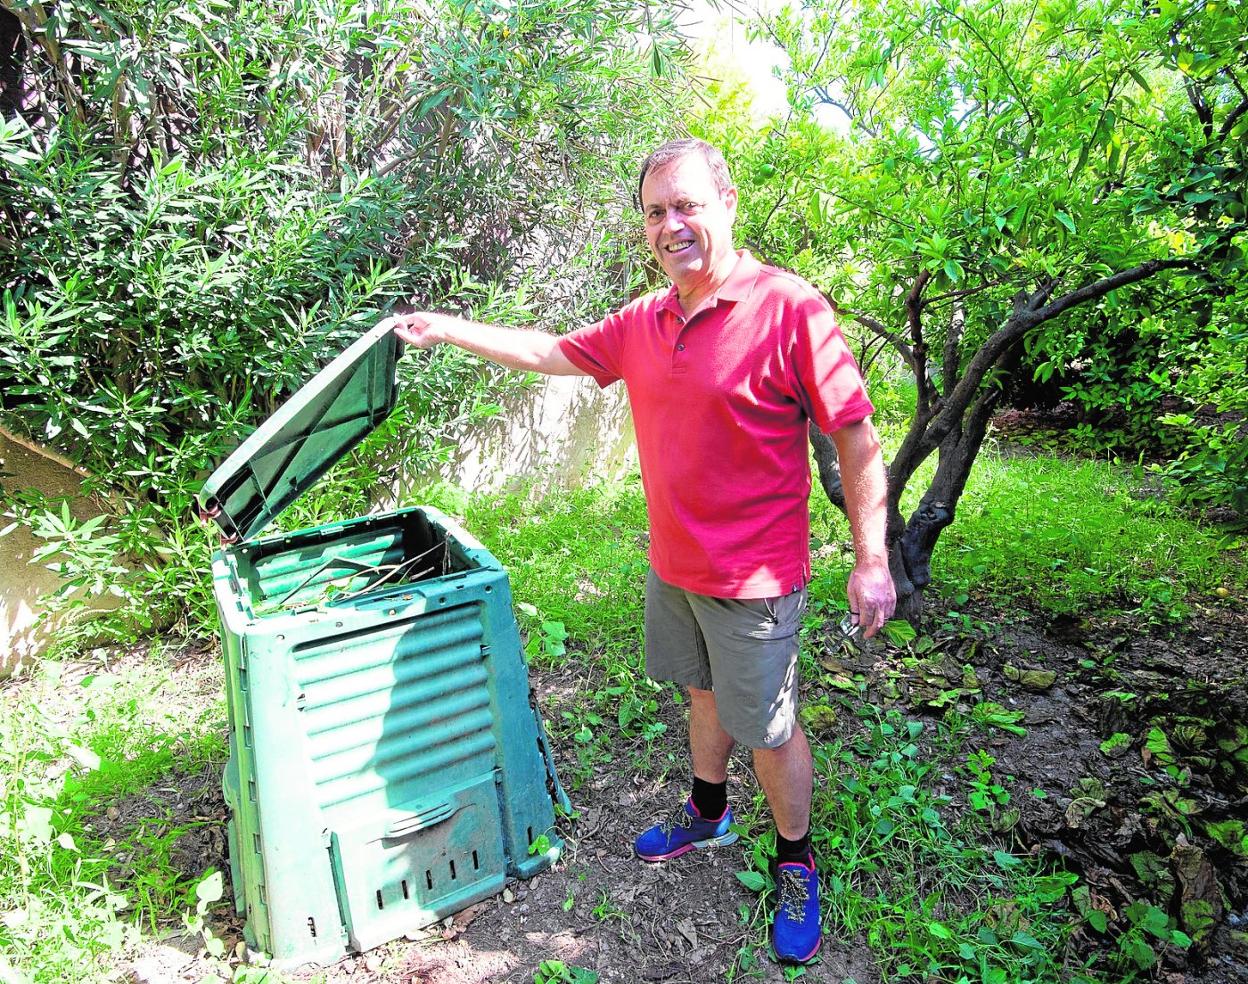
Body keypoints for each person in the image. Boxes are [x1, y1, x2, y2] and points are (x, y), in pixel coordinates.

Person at [382, 138, 895, 964]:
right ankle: (707, 811)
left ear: (728, 201)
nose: (671, 225)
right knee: (698, 693)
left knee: (767, 727)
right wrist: (448, 328)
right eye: (656, 212)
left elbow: (856, 437)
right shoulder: (644, 320)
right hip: (675, 567)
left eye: (687, 205)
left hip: (757, 578)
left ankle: (796, 859)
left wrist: (871, 558)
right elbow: (551, 352)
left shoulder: (791, 308)